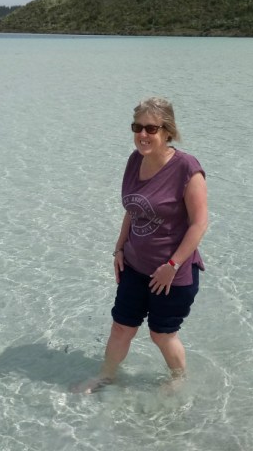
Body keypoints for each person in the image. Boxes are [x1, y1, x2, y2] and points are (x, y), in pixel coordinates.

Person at [74, 97, 208, 393]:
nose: (143, 134)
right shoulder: (135, 160)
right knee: (121, 326)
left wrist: (172, 266)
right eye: (137, 127)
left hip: (172, 273)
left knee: (162, 334)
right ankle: (106, 376)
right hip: (134, 265)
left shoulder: (187, 168)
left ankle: (179, 379)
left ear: (168, 131)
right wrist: (119, 248)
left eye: (151, 128)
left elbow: (199, 224)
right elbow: (134, 209)